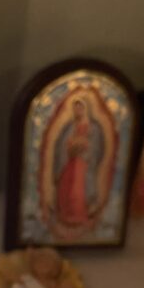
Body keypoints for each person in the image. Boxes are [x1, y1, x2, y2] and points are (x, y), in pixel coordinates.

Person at [52, 96, 104, 229]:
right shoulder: (70, 127)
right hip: (69, 161)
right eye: (75, 108)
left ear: (86, 109)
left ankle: (78, 217)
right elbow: (61, 145)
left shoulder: (94, 128)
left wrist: (85, 148)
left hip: (83, 163)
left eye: (80, 108)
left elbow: (96, 148)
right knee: (65, 186)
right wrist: (69, 147)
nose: (78, 110)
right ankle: (65, 216)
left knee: (78, 189)